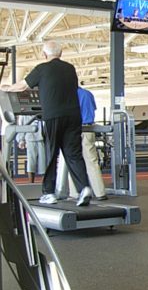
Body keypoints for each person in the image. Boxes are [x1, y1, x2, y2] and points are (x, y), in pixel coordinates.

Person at [0, 41, 92, 206]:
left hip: (53, 116)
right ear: (61, 53)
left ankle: (49, 193)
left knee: (52, 153)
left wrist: (7, 88)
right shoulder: (70, 69)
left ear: (44, 55)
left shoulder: (42, 68)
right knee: (74, 154)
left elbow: (23, 86)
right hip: (73, 116)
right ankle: (84, 188)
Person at [57, 86, 107, 200]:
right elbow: (93, 109)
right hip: (89, 129)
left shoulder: (68, 96)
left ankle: (75, 193)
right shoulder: (87, 93)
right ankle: (100, 192)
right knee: (92, 161)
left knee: (72, 160)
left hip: (73, 130)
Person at [17, 115, 46, 183]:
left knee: (43, 163)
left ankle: (44, 183)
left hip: (41, 138)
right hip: (30, 138)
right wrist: (21, 139)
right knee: (31, 162)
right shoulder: (23, 115)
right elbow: (21, 126)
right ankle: (31, 183)